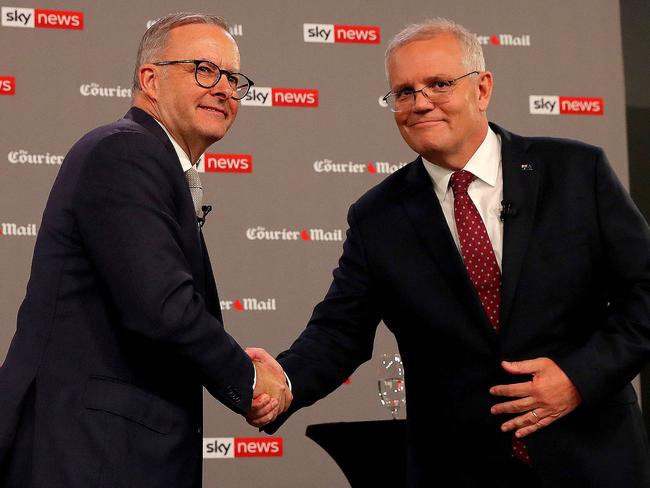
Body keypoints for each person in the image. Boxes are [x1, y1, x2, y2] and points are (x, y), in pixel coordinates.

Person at [247, 17, 650, 487]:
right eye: (403, 92)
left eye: (438, 84)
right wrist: (284, 384)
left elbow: (643, 293)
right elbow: (340, 330)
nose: (420, 104)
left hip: (593, 460)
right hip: (457, 469)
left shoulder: (577, 172)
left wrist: (578, 378)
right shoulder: (378, 216)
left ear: (482, 89)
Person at [0, 12, 289, 488]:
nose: (223, 88)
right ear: (150, 79)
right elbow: (161, 307)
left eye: (233, 78)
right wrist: (251, 379)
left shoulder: (149, 159)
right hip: (85, 451)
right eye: (203, 69)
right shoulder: (125, 152)